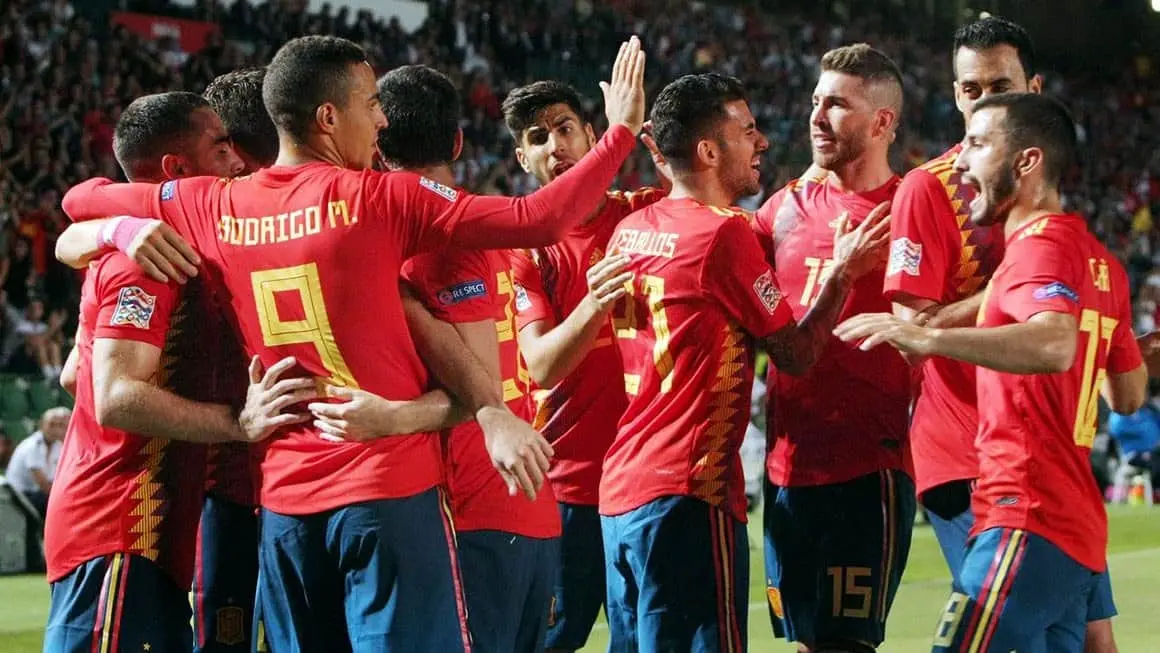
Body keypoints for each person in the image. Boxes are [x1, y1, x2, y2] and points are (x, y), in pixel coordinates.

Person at [58, 34, 647, 651]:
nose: (383, 117)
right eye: (371, 102)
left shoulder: (214, 204)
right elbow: (539, 220)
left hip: (286, 505)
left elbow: (82, 197)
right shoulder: (379, 199)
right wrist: (620, 133)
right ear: (328, 117)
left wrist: (118, 227)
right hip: (387, 497)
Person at [837, 92, 1148, 653]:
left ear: (1026, 162)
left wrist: (929, 337)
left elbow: (1054, 342)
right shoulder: (1101, 261)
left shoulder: (1037, 247)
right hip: (1075, 530)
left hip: (1024, 516)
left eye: (978, 145)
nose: (959, 162)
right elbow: (1126, 394)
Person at [598, 72, 889, 652]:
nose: (762, 143)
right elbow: (797, 354)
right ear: (708, 150)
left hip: (621, 494)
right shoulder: (723, 237)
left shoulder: (632, 229)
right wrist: (841, 276)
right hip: (689, 491)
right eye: (747, 131)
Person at [880, 17, 1120, 652]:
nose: (980, 101)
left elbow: (1080, 351)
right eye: (968, 89)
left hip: (1053, 461)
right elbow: (912, 327)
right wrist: (1004, 292)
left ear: (1032, 89)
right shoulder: (928, 188)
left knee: (1094, 640)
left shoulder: (1048, 210)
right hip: (972, 459)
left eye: (998, 85)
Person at [42, 91, 313, 653]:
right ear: (177, 171)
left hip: (159, 529)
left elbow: (75, 373)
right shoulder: (147, 262)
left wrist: (101, 232)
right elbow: (110, 395)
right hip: (118, 527)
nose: (236, 165)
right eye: (221, 150)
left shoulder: (176, 249)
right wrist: (239, 421)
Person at [376, 64, 561, 652]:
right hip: (528, 504)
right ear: (457, 142)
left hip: (473, 510)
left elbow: (478, 388)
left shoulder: (431, 247)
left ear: (376, 151)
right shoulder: (485, 228)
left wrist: (387, 418)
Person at [751, 44, 913, 653]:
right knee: (804, 644)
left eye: (837, 104)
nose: (817, 117)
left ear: (881, 122)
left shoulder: (913, 209)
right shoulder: (781, 211)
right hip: (787, 469)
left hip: (866, 469)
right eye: (816, 101)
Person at [502, 79, 664, 653]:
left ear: (594, 135)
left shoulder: (650, 213)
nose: (555, 145)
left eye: (565, 128)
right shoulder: (527, 248)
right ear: (523, 158)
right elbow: (541, 363)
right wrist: (596, 303)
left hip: (650, 481)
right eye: (537, 138)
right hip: (569, 487)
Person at [4, 406, 68, 517]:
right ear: (42, 424)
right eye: (51, 424)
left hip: (36, 495)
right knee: (57, 501)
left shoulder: (58, 446)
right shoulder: (32, 446)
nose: (55, 429)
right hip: (18, 497)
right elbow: (43, 484)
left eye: (60, 425)